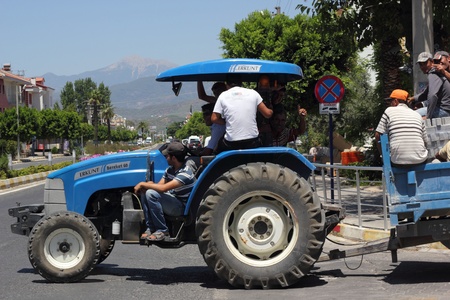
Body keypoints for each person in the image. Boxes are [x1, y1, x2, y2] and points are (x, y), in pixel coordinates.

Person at [134, 141, 196, 241]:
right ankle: (150, 228)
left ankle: (162, 230)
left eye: (167, 156)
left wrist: (142, 183)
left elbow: (164, 188)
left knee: (150, 193)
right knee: (145, 191)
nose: (165, 158)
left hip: (180, 207)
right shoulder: (170, 170)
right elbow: (159, 185)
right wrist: (147, 185)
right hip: (172, 201)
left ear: (173, 158)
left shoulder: (185, 173)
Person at [212, 74, 273, 152]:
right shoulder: (253, 93)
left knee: (218, 146)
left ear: (226, 84)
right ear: (241, 83)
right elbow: (267, 114)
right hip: (253, 141)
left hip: (231, 143)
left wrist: (226, 121)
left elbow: (214, 118)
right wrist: (271, 109)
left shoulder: (223, 95)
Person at [375, 89, 429, 167]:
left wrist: (382, 155)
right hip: (420, 160)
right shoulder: (417, 115)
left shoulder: (389, 111)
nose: (390, 103)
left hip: (398, 161)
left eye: (391, 101)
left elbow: (378, 135)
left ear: (396, 101)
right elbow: (426, 141)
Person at [408, 52, 450, 119]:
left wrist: (428, 116)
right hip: (445, 110)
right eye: (420, 65)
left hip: (443, 110)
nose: (423, 67)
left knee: (412, 116)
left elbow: (432, 95)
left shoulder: (433, 73)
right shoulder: (438, 72)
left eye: (425, 63)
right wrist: (413, 98)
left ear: (432, 62)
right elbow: (426, 93)